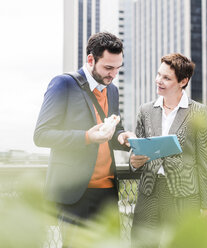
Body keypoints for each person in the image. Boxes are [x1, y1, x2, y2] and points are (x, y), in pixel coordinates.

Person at [34, 32, 135, 246]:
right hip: (77, 194)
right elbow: (41, 135)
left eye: (118, 68)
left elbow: (112, 135)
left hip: (108, 193)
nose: (113, 75)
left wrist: (125, 137)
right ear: (91, 60)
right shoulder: (63, 84)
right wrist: (87, 137)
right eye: (108, 68)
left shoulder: (113, 91)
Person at [130, 53, 207, 247]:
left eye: (166, 78)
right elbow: (137, 149)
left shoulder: (198, 112)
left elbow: (204, 163)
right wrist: (134, 161)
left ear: (183, 81)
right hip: (149, 193)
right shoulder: (145, 110)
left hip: (184, 196)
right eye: (159, 75)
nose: (158, 81)